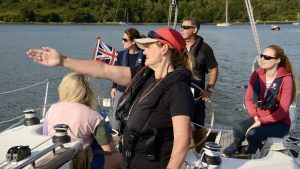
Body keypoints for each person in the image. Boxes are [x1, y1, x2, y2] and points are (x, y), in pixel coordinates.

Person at [27, 27, 193, 169]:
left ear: (164, 48)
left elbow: (182, 139)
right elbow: (103, 69)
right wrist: (62, 60)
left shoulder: (179, 90)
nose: (145, 51)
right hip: (130, 161)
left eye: (149, 46)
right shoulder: (144, 76)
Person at [223, 45, 297, 156]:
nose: (262, 59)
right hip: (259, 117)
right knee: (238, 129)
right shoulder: (256, 74)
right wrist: (255, 115)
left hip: (279, 123)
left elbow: (282, 111)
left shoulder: (286, 79)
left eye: (267, 57)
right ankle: (236, 145)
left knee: (252, 134)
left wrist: (260, 122)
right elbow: (248, 98)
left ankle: (252, 150)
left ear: (277, 60)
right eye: (262, 56)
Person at [43, 72, 113, 169]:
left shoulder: (52, 109)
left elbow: (44, 136)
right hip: (81, 163)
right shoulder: (94, 116)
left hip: (54, 160)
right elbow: (108, 150)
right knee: (119, 158)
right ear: (86, 91)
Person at [180, 16, 219, 152]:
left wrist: (209, 90)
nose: (181, 29)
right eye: (181, 26)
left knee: (198, 126)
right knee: (178, 124)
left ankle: (199, 152)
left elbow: (214, 70)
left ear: (194, 30)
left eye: (185, 27)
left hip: (197, 95)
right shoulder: (177, 46)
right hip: (178, 93)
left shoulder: (205, 49)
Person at [110, 27, 145, 130]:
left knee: (134, 116)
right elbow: (116, 72)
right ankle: (115, 135)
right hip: (121, 90)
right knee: (116, 117)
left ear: (133, 41)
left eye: (125, 39)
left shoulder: (144, 55)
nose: (122, 42)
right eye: (122, 39)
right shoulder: (120, 55)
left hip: (138, 92)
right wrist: (113, 87)